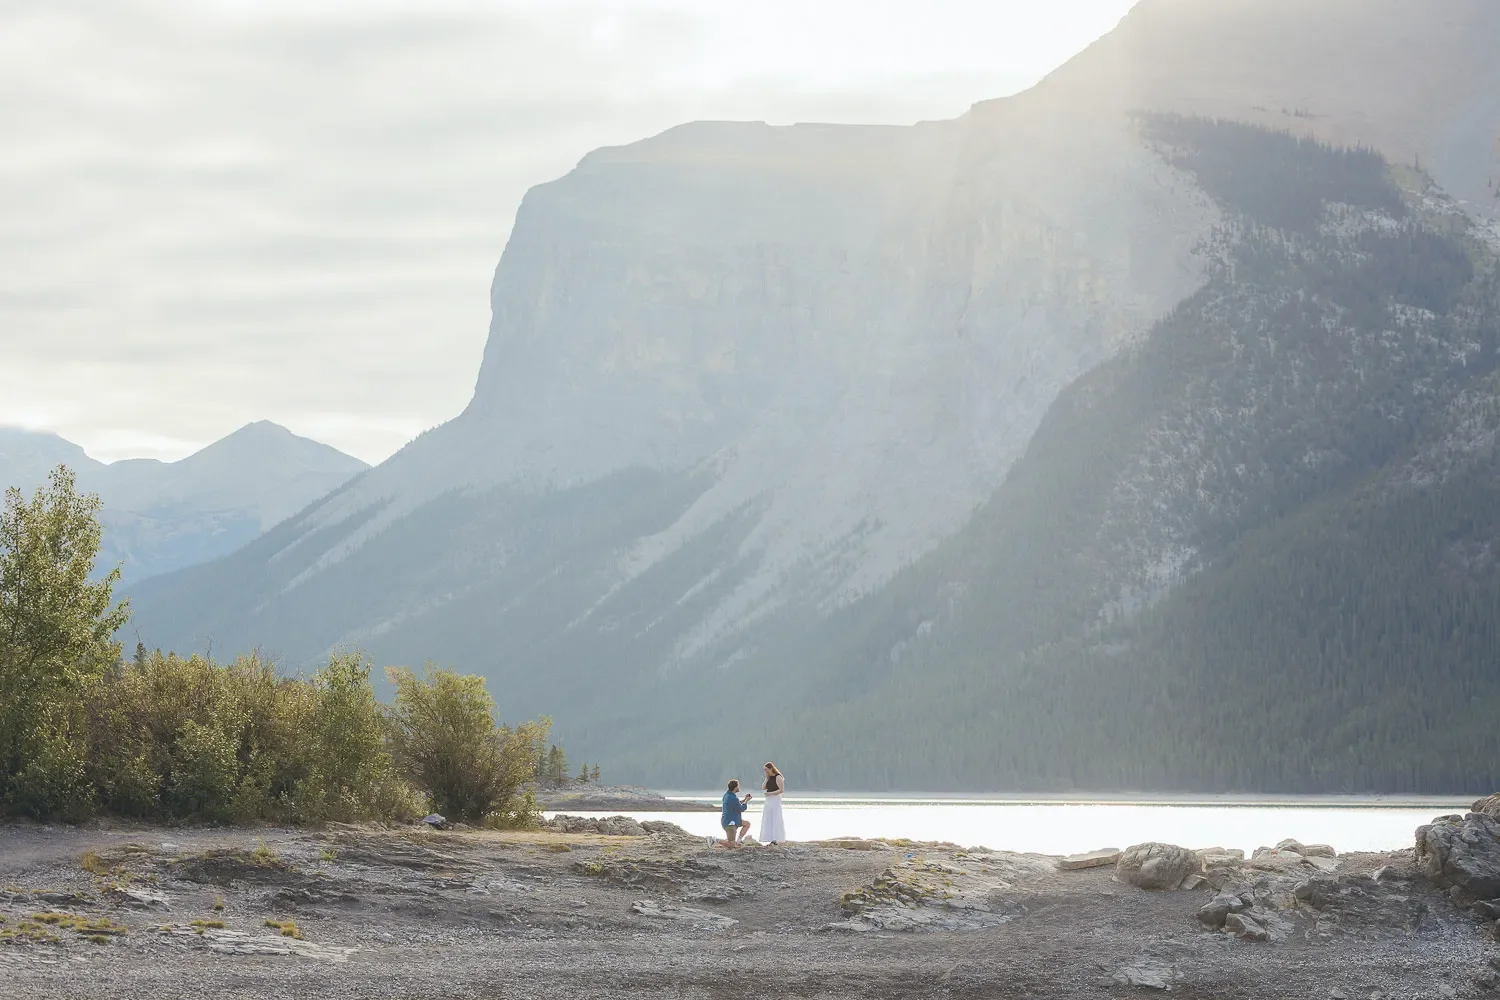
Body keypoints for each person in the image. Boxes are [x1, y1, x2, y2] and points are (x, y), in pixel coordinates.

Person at [713, 779, 752, 848]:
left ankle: (738, 841)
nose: (739, 787)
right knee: (731, 845)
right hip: (730, 823)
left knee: (747, 824)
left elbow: (736, 804)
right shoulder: (733, 798)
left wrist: (745, 799)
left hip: (732, 820)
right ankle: (714, 839)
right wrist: (746, 801)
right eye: (738, 786)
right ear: (735, 787)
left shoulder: (727, 795)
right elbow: (741, 809)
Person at [761, 762, 786, 845]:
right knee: (768, 817)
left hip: (775, 799)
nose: (765, 771)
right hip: (768, 800)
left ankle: (777, 837)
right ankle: (769, 837)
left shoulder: (778, 777)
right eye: (764, 770)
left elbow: (781, 790)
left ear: (771, 768)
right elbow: (763, 787)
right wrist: (766, 778)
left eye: (766, 769)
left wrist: (770, 793)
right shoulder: (769, 778)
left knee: (776, 817)